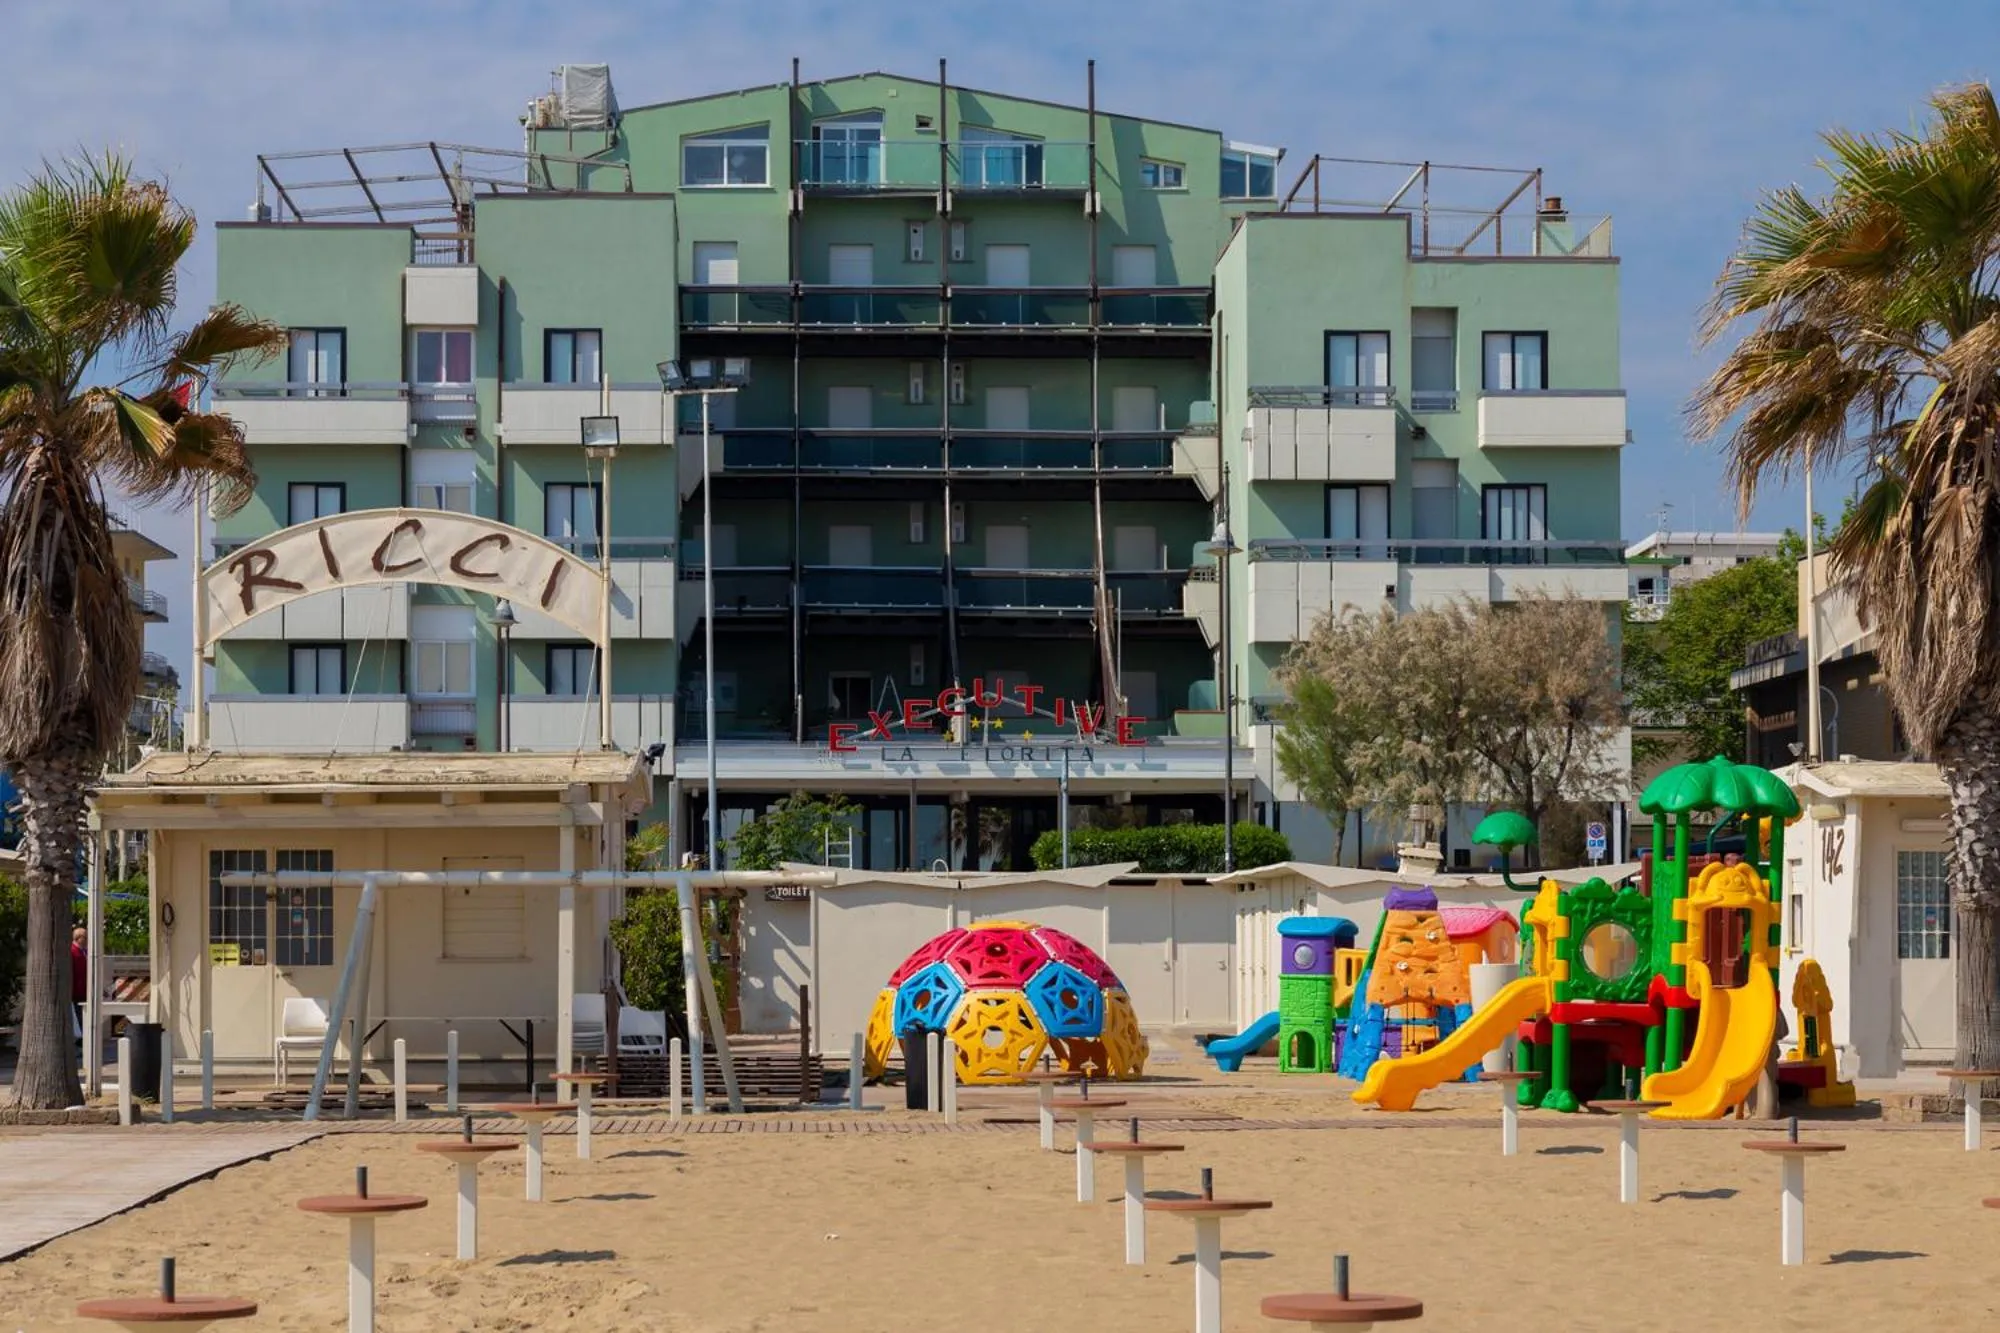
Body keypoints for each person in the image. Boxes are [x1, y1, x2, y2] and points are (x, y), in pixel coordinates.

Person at [70, 925, 88, 1044]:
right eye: (85, 937)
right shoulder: (73, 952)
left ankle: (83, 1040)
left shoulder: (83, 951)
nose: (87, 940)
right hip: (77, 990)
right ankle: (80, 1040)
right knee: (79, 1017)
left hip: (84, 990)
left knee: (83, 1016)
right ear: (79, 938)